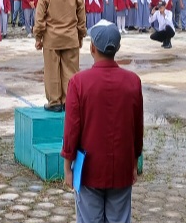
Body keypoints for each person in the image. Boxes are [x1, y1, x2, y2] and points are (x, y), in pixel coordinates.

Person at [62, 21, 143, 223]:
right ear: (117, 48)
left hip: (89, 168)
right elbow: (137, 128)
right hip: (122, 166)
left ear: (92, 48)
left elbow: (72, 129)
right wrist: (134, 162)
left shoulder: (79, 82)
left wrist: (67, 167)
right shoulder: (133, 81)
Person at [33, 0, 87, 112]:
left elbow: (40, 19)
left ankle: (55, 102)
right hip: (71, 38)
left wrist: (38, 37)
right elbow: (82, 19)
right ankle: (69, 102)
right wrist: (80, 36)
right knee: (71, 72)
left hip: (51, 39)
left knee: (51, 72)